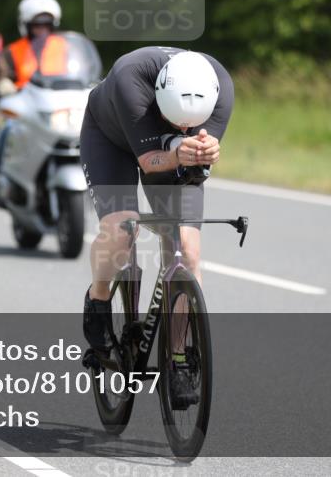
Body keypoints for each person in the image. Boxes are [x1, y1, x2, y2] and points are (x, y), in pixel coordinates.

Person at [79, 47, 234, 408]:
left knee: (186, 250)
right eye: (176, 121)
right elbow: (150, 162)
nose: (183, 128)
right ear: (159, 97)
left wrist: (203, 151)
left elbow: (194, 161)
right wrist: (180, 150)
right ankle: (99, 301)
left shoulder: (220, 86)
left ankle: (179, 358)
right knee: (121, 231)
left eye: (189, 124)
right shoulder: (129, 77)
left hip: (170, 152)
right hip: (111, 139)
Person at [0, 0, 71, 177]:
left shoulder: (66, 46)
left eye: (46, 24)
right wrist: (2, 84)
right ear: (26, 25)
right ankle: (2, 177)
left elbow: (82, 69)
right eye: (37, 24)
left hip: (61, 107)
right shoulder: (12, 51)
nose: (41, 29)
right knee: (6, 132)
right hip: (27, 107)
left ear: (53, 24)